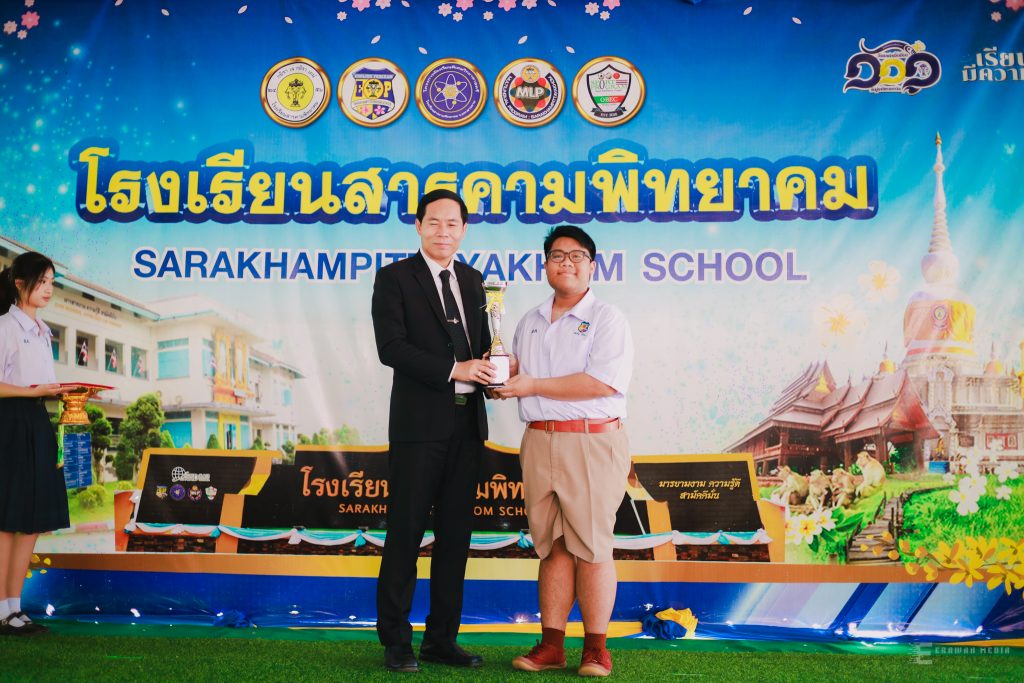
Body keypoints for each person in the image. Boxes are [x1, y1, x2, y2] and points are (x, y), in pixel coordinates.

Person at [495, 226, 633, 678]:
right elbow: (521, 370)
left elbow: (601, 383)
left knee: (592, 547)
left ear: (592, 266)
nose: (566, 263)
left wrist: (531, 384)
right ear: (545, 265)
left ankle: (595, 649)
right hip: (538, 439)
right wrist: (499, 373)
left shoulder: (608, 318)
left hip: (591, 440)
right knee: (552, 547)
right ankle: (551, 645)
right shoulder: (530, 320)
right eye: (557, 255)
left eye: (576, 256)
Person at [371, 189, 497, 672]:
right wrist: (454, 369)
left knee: (455, 538)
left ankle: (441, 639)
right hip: (418, 428)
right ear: (418, 226)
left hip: (467, 426)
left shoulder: (474, 280)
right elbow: (392, 348)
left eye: (453, 224)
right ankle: (396, 641)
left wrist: (495, 372)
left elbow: (482, 346)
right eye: (434, 222)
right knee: (405, 534)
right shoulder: (394, 278)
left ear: (464, 229)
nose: (444, 231)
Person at [0, 252, 72, 636]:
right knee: (7, 518)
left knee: (30, 520)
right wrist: (33, 392)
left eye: (51, 283)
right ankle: (0, 609)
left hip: (38, 420)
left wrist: (63, 393)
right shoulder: (4, 327)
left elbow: (41, 383)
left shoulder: (43, 331)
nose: (48, 289)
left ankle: (16, 608)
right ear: (19, 283)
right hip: (9, 423)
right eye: (42, 281)